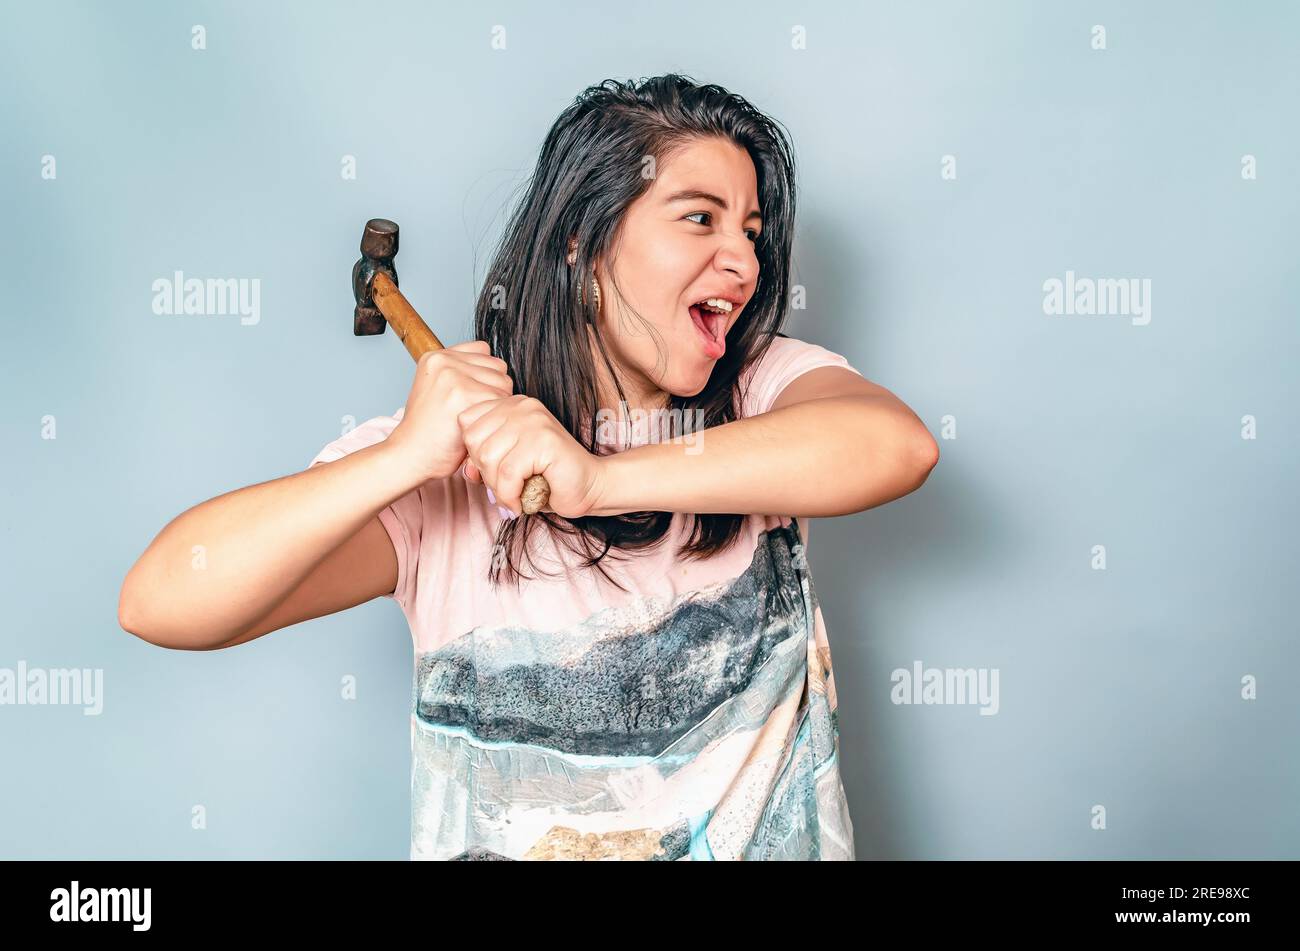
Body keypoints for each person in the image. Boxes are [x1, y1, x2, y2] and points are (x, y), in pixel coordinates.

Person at [119, 74, 939, 860]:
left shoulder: (761, 394)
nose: (744, 262)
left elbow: (896, 445)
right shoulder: (441, 476)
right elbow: (163, 598)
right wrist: (401, 456)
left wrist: (599, 478)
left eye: (751, 232)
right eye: (700, 218)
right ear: (582, 241)